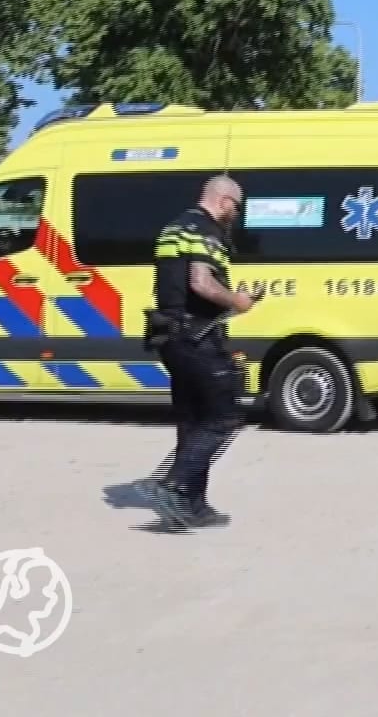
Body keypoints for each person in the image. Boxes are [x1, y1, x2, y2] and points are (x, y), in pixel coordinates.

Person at [141, 175, 258, 531]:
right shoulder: (206, 230)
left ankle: (193, 505)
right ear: (224, 201)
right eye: (236, 208)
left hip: (170, 336)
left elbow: (174, 284)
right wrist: (237, 301)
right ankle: (172, 486)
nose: (235, 215)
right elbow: (200, 282)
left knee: (193, 420)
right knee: (224, 417)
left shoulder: (174, 227)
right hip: (196, 337)